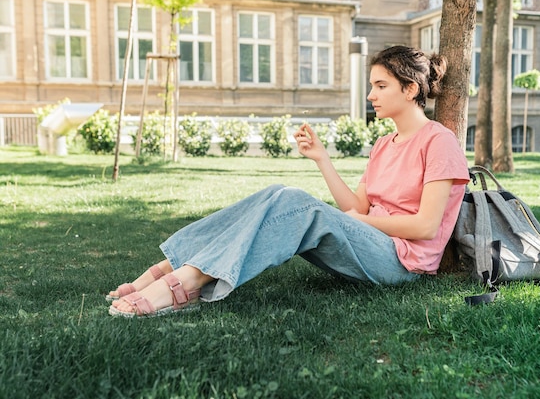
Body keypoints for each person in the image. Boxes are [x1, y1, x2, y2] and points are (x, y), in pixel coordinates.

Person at [108, 45, 470, 318]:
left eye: (380, 86)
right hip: (371, 241)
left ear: (409, 90)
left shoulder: (439, 142)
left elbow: (425, 226)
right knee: (276, 193)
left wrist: (364, 222)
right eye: (372, 85)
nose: (371, 95)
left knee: (294, 201)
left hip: (401, 262)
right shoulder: (384, 144)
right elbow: (355, 208)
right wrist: (322, 159)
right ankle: (175, 266)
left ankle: (188, 281)